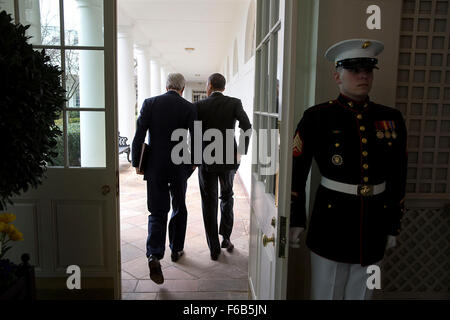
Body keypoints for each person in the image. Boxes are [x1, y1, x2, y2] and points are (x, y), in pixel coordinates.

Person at [289, 39, 407, 299]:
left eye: (368, 70)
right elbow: (297, 171)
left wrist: (392, 225)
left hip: (375, 222)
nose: (363, 75)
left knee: (364, 294)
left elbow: (398, 174)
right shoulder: (317, 117)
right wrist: (296, 218)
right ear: (337, 76)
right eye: (354, 69)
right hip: (331, 221)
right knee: (326, 293)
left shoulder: (390, 119)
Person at [131, 73, 196, 285]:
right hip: (179, 166)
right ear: (182, 88)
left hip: (155, 167)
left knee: (157, 211)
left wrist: (137, 163)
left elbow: (139, 135)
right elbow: (196, 140)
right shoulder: (188, 107)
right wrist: (191, 166)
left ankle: (153, 254)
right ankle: (176, 249)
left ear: (166, 86)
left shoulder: (150, 103)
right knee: (178, 206)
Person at [194, 73, 252, 260]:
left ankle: (214, 248)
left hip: (206, 160)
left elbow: (193, 132)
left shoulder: (199, 105)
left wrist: (196, 157)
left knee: (208, 203)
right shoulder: (234, 102)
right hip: (228, 159)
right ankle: (225, 238)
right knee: (227, 197)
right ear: (224, 88)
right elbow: (246, 125)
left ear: (209, 86)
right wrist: (240, 152)